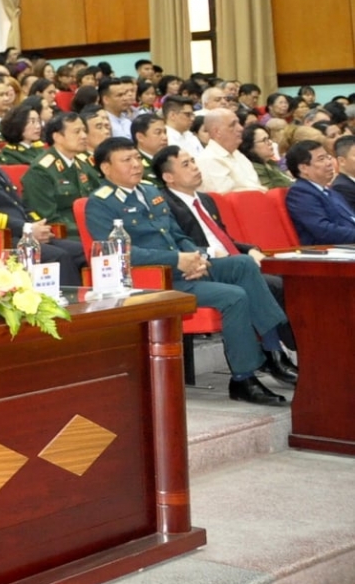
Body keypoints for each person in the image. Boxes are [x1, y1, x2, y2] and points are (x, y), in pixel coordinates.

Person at [83, 138, 289, 406]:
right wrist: (177, 260)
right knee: (234, 296)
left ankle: (273, 349)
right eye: (126, 160)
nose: (136, 164)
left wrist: (196, 257)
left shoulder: (149, 192)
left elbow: (178, 234)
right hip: (154, 281)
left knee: (244, 264)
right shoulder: (100, 204)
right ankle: (243, 378)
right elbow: (119, 253)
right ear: (106, 168)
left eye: (136, 157)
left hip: (184, 268)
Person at [0, 113, 85, 271]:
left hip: (22, 235)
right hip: (1, 240)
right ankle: (64, 296)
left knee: (81, 250)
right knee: (59, 256)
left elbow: (19, 206)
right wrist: (26, 228)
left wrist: (36, 225)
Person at [284, 140, 355, 244]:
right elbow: (324, 231)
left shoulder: (331, 192)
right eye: (321, 159)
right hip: (329, 251)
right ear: (304, 168)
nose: (329, 163)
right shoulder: (300, 193)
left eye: (328, 157)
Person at [195, 107, 262, 195]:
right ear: (217, 132)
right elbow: (225, 198)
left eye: (239, 123)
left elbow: (256, 186)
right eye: (233, 125)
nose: (241, 128)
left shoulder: (238, 154)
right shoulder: (208, 159)